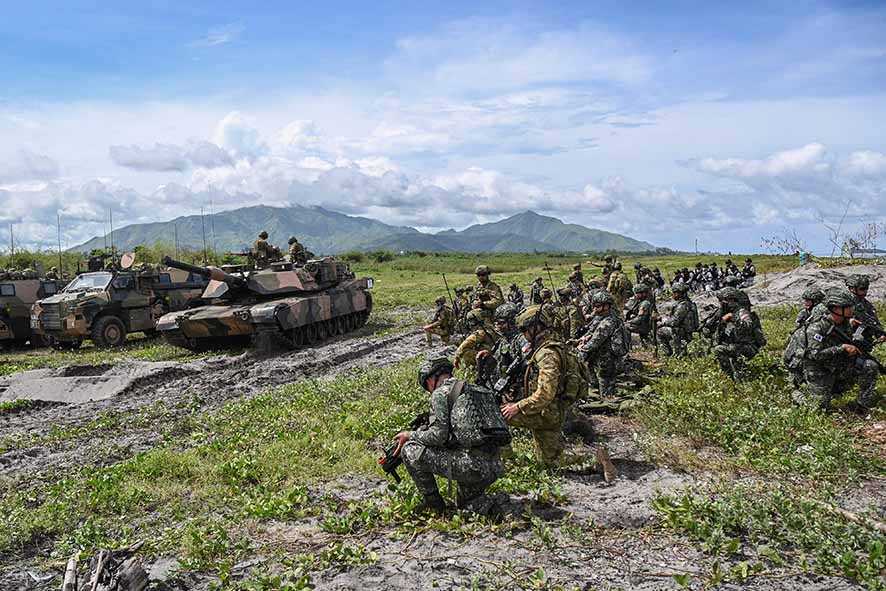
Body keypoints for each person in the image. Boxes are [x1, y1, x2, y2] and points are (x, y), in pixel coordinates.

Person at [393, 357, 506, 515]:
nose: (429, 391)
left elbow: (439, 436)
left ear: (431, 379)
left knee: (410, 450)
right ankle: (491, 506)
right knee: (466, 505)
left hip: (472, 467)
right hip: (495, 466)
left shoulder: (441, 393)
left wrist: (410, 435)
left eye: (427, 386)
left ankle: (434, 506)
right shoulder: (477, 389)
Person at [500, 305, 570, 467]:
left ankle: (507, 463)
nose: (523, 334)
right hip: (552, 409)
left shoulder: (546, 354)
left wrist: (517, 406)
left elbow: (545, 394)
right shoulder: (548, 343)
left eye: (524, 329)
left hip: (546, 412)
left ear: (536, 328)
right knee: (552, 462)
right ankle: (595, 460)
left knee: (497, 415)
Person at [797, 290, 880, 413]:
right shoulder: (817, 327)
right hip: (819, 368)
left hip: (837, 364)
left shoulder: (844, 323)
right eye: (848, 307)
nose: (852, 310)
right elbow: (815, 354)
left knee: (869, 365)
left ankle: (863, 404)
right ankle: (797, 393)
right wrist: (841, 348)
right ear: (836, 309)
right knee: (818, 409)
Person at [577, 290, 629, 397]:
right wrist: (583, 339)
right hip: (603, 356)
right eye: (594, 306)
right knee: (594, 373)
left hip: (607, 358)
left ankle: (606, 400)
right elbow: (591, 331)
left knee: (604, 379)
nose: (595, 309)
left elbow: (595, 341)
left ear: (606, 306)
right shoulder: (603, 317)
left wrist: (581, 351)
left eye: (597, 306)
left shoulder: (608, 322)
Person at [710, 287, 766, 381]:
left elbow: (748, 326)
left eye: (722, 301)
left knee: (720, 350)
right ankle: (736, 374)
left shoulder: (741, 312)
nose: (720, 304)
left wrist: (733, 318)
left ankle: (731, 376)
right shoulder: (730, 311)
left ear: (730, 300)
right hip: (739, 345)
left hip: (749, 347)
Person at [476, 303, 527, 401]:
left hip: (518, 390)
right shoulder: (503, 340)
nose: (498, 326)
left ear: (512, 322)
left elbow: (525, 364)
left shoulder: (521, 339)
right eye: (496, 323)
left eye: (501, 323)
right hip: (501, 387)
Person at [782, 287, 825, 387]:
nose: (805, 302)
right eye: (805, 300)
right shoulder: (804, 313)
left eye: (808, 300)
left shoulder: (821, 313)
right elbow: (797, 329)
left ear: (816, 301)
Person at [658, 283, 696, 357]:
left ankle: (670, 353)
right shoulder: (688, 303)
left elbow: (674, 322)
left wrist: (662, 321)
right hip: (686, 330)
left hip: (682, 332)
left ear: (679, 293)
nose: (673, 295)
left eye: (674, 293)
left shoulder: (683, 305)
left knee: (660, 331)